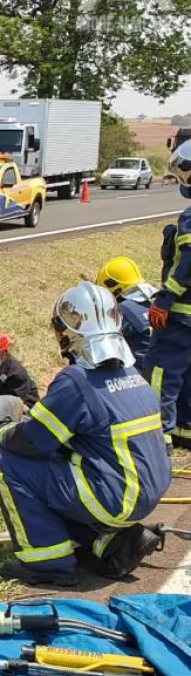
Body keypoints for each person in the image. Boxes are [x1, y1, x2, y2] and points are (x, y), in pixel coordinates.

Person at [0, 282, 170, 587]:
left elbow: (32, 439)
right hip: (147, 490)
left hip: (116, 498)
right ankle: (114, 545)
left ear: (70, 332)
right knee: (61, 470)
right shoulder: (132, 375)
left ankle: (48, 563)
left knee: (8, 464)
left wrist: (2, 433)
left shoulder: (77, 381)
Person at [144, 140, 191, 450]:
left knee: (161, 372)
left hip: (181, 316)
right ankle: (185, 433)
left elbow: (186, 261)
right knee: (187, 376)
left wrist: (164, 301)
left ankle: (155, 439)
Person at [96, 256, 155, 371]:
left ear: (113, 286)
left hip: (140, 376)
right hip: (171, 372)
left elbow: (102, 350)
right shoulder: (158, 302)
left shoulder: (123, 311)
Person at [0, 334, 40, 408]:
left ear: (3, 352)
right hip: (1, 399)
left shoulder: (16, 372)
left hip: (25, 405)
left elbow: (15, 402)